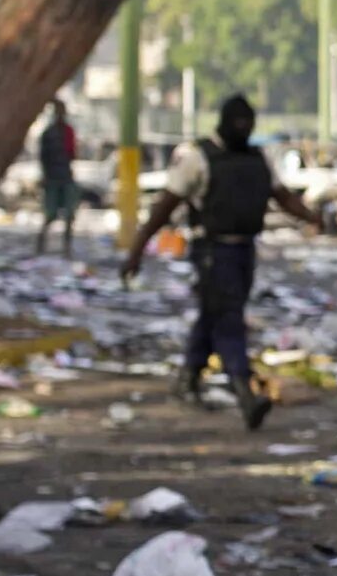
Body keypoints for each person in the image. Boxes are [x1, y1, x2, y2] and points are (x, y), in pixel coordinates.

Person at [122, 93, 318, 429]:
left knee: (214, 313)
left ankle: (188, 379)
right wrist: (137, 249)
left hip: (245, 249)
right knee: (229, 318)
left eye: (248, 123)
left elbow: (282, 196)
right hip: (213, 250)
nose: (243, 128)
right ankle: (244, 390)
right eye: (238, 123)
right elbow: (165, 206)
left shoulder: (257, 158)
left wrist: (312, 217)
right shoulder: (199, 158)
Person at [34, 100, 82, 255]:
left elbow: (72, 154)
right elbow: (43, 158)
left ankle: (66, 248)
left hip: (65, 176)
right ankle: (41, 244)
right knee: (51, 214)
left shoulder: (68, 132)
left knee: (69, 215)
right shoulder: (49, 134)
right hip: (53, 178)